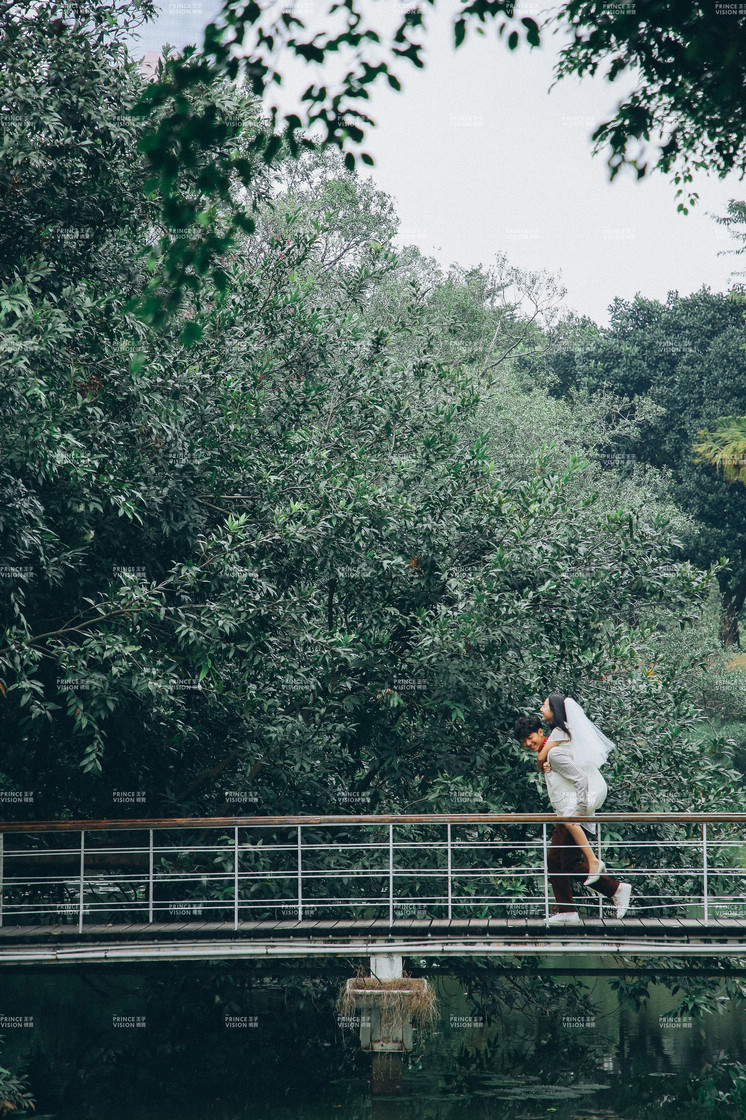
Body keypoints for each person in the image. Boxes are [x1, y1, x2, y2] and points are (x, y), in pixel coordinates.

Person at [513, 698, 632, 926]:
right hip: (566, 814)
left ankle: (614, 890)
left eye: (530, 737)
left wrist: (577, 812)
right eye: (524, 741)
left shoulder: (554, 753)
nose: (528, 743)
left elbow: (580, 778)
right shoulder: (552, 749)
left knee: (560, 861)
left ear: (541, 732)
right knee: (558, 860)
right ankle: (571, 908)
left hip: (572, 814)